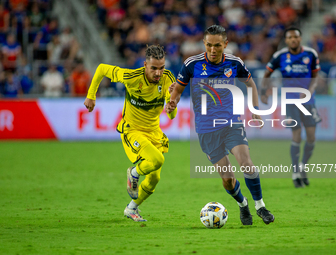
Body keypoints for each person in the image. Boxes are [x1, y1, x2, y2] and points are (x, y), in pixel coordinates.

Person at [167, 25, 274, 225]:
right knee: (228, 178)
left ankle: (260, 206)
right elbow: (178, 91)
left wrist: (255, 109)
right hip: (206, 129)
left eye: (217, 45)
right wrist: (173, 101)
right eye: (209, 45)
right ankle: (243, 205)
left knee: (246, 162)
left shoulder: (234, 63)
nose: (213, 50)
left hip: (231, 122)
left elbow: (250, 83)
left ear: (225, 44)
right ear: (204, 44)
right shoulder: (192, 64)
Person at [84, 45, 177, 222]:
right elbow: (102, 68)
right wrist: (91, 95)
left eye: (161, 68)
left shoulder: (168, 79)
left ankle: (131, 208)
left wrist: (172, 106)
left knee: (155, 178)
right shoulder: (132, 77)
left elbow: (171, 115)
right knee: (157, 160)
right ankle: (134, 173)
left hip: (153, 132)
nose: (158, 73)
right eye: (154, 68)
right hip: (133, 131)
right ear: (145, 65)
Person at [261, 27, 321, 188]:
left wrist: (309, 91)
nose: (293, 39)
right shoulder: (280, 56)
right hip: (291, 102)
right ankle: (295, 173)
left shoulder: (310, 54)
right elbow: (267, 74)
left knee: (311, 137)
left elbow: (315, 77)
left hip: (309, 102)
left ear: (300, 39)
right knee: (296, 136)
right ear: (286, 41)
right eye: (290, 37)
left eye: (296, 37)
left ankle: (302, 166)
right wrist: (263, 92)